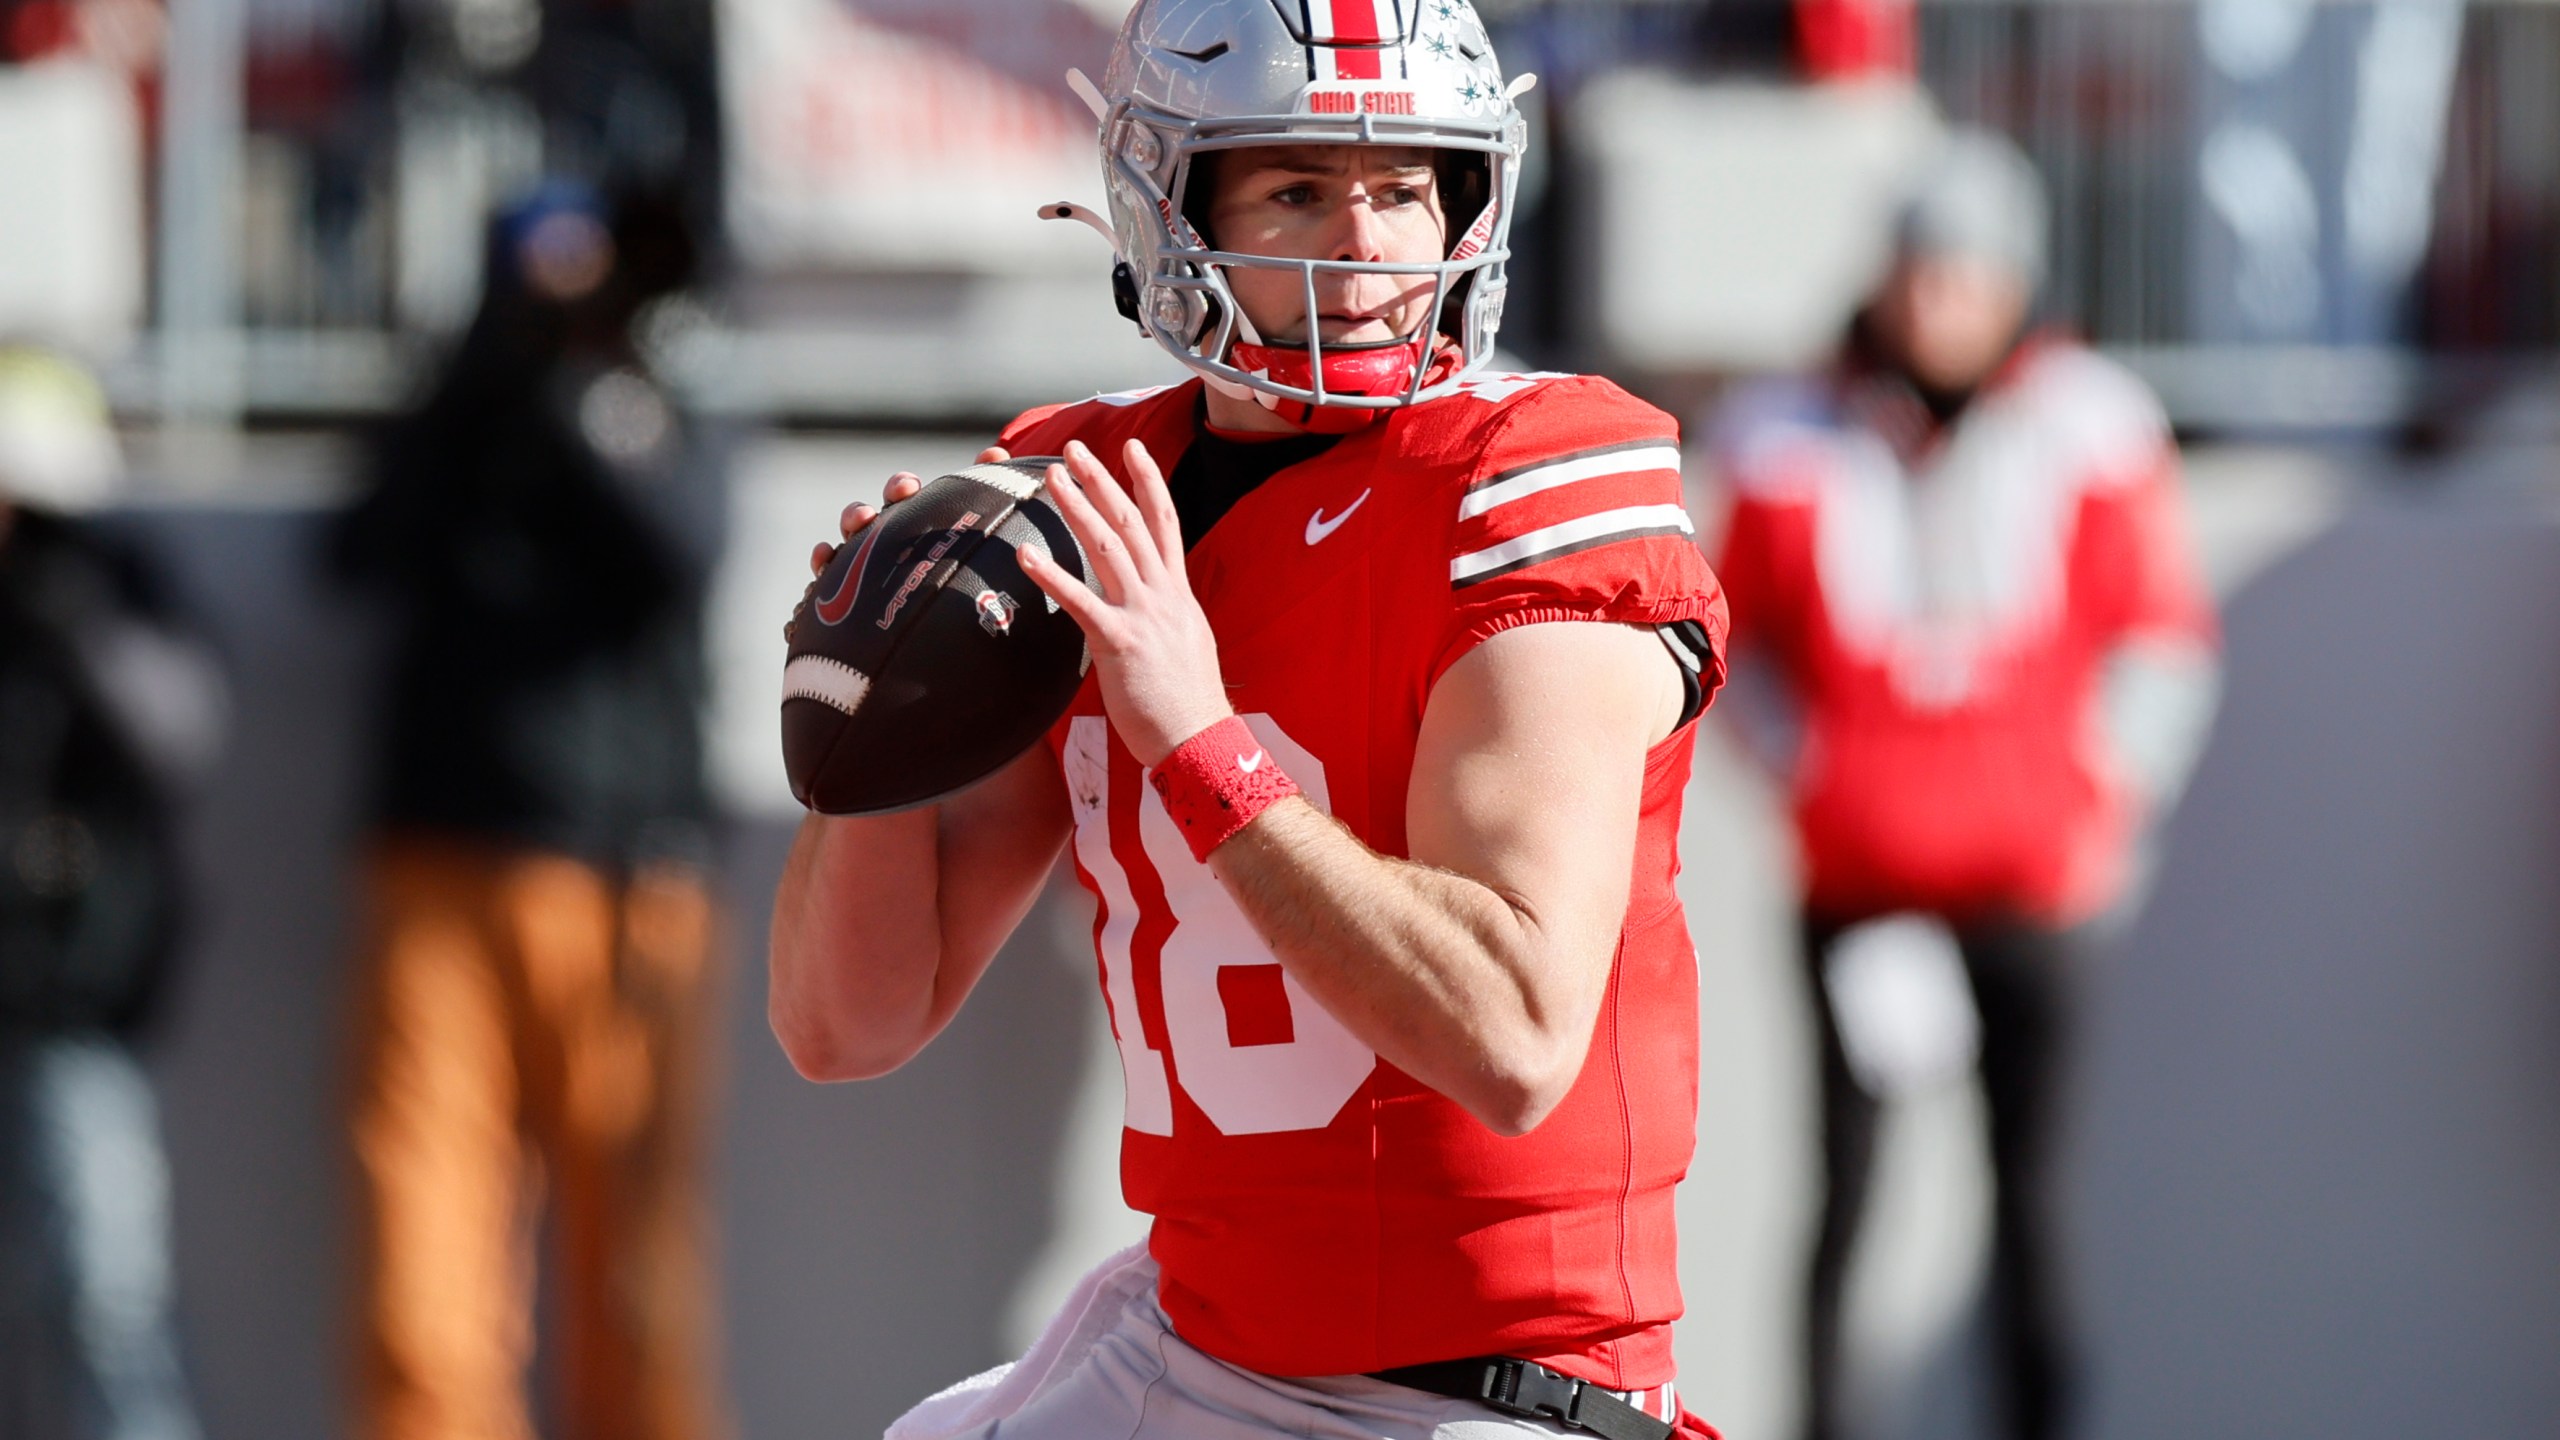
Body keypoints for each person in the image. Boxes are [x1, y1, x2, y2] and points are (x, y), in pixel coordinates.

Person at [768, 4, 1733, 1439]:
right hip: (1196, 1341)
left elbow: (1516, 1036)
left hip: (1482, 1393)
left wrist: (1196, 734)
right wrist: (882, 711)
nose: (1365, 245)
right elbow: (848, 1023)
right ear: (1170, 211)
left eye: (1405, 188)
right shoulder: (1083, 488)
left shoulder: (1530, 482)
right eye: (1297, 189)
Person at [1707, 131, 2221, 1440]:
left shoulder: (2090, 424)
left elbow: (2161, 637)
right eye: (1922, 270)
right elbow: (1731, 646)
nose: (1941, 302)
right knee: (1843, 1203)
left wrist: (2096, 802)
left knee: (2032, 1198)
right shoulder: (1783, 432)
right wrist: (1810, 776)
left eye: (1971, 274)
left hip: (2027, 893)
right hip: (1859, 890)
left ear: (2017, 283)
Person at [331, 181, 731, 1440]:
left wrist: (575, 387)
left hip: (629, 877)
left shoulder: (653, 395)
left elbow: (682, 547)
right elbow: (354, 555)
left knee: (640, 1274)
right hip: (442, 866)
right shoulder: (462, 413)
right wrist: (483, 378)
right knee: (424, 1255)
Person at [0, 345, 224, 1440]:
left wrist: (67, 618)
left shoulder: (108, 581)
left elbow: (180, 732)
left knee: (106, 1299)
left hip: (73, 1004)